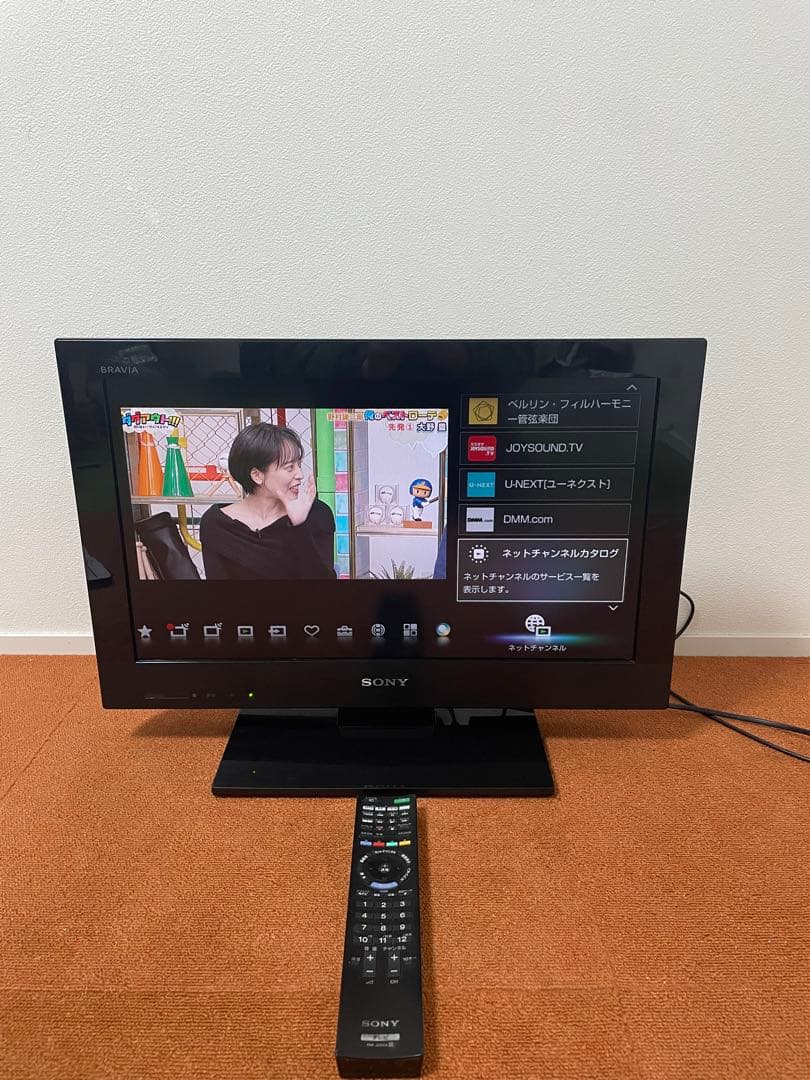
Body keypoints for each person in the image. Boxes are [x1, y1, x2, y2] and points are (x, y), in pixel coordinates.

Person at [200, 423, 336, 579]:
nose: (300, 475)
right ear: (257, 475)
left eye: (299, 465)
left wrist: (299, 526)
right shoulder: (216, 524)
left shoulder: (317, 514)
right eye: (289, 467)